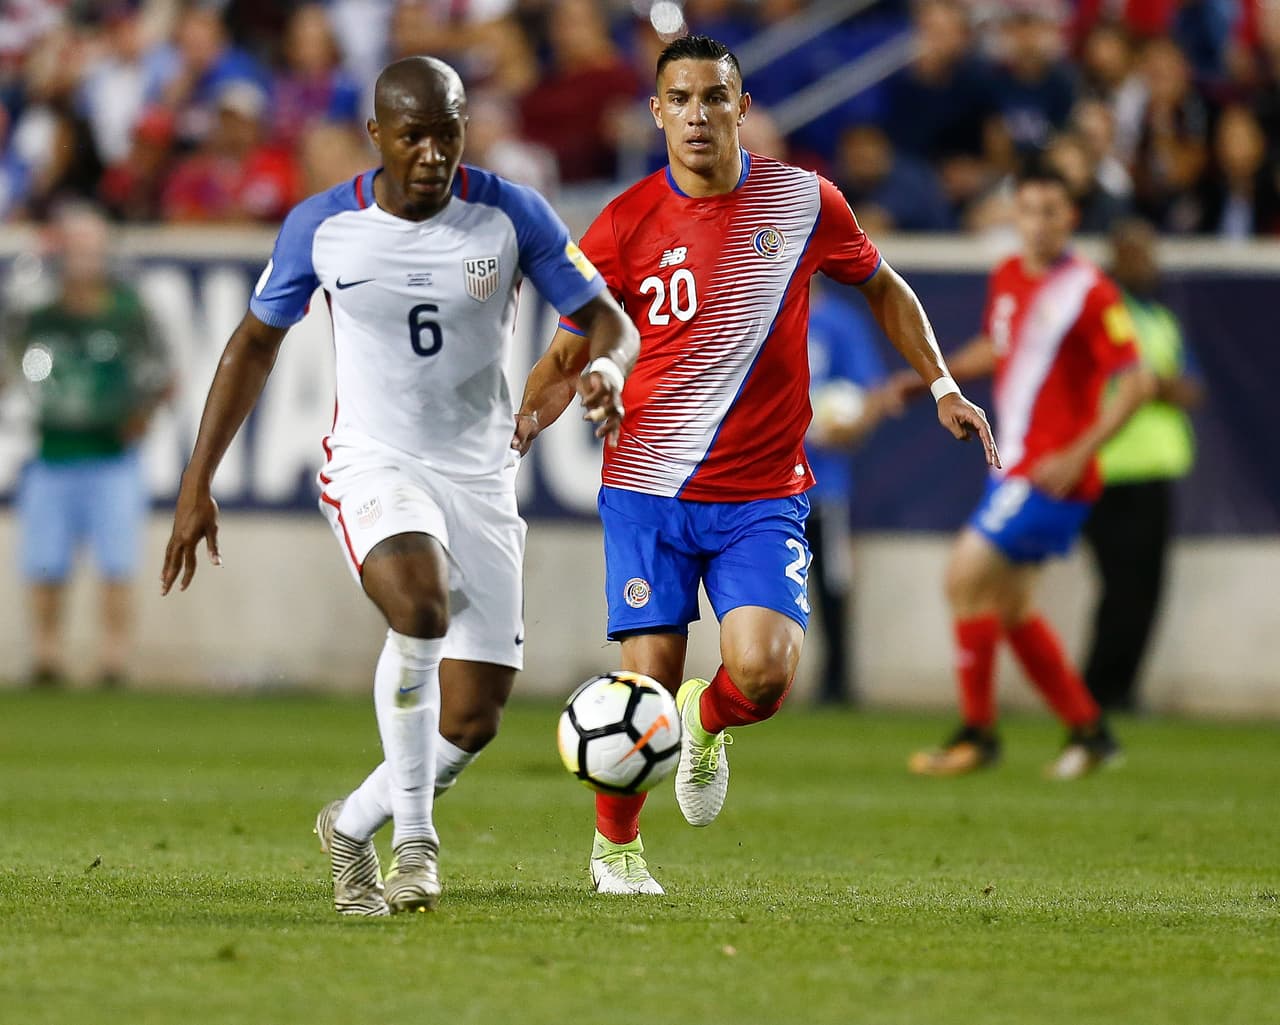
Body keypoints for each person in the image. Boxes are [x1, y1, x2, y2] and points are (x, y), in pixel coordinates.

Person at [514, 35, 998, 895]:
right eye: (680, 99)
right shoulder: (622, 223)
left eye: (714, 97)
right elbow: (563, 357)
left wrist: (942, 384)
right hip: (648, 489)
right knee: (644, 686)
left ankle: (707, 720)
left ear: (741, 107)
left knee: (766, 675)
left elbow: (883, 285)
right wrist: (519, 428)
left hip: (762, 494)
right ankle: (616, 852)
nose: (697, 115)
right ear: (656, 112)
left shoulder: (804, 200)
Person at [161, 56, 639, 916]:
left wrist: (605, 367)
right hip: (374, 461)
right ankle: (415, 844)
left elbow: (607, 319)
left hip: (481, 473)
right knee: (420, 607)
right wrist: (199, 480)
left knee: (473, 720)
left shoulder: (510, 213)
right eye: (413, 135)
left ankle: (351, 825)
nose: (431, 153)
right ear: (376, 134)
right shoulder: (323, 225)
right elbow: (253, 344)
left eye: (447, 134)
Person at [897, 163, 1155, 781]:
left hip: (1049, 476)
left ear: (1071, 218)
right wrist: (935, 379)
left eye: (1051, 211)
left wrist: (1079, 452)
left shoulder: (1090, 291)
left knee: (963, 578)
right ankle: (1090, 732)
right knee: (1009, 608)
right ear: (1015, 214)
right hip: (1012, 470)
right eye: (1029, 209)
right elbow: (1001, 345)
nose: (1038, 223)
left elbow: (1138, 382)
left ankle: (977, 734)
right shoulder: (1008, 275)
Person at [4, 202, 171, 687]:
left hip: (112, 456)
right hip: (51, 451)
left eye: (91, 248)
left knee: (117, 563)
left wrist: (142, 414)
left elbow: (162, 372)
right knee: (44, 563)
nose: (83, 259)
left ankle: (114, 659)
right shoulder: (36, 313)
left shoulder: (130, 310)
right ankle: (46, 654)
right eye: (74, 248)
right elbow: (9, 365)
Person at [1082, 218, 1202, 712]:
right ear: (1116, 258)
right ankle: (1095, 688)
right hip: (1108, 468)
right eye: (1135, 254)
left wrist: (1159, 386)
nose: (1146, 264)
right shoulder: (1098, 313)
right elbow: (1122, 381)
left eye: (1150, 254)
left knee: (1148, 587)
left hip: (1156, 468)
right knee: (1121, 586)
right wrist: (1156, 386)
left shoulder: (1159, 319)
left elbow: (1189, 387)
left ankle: (1122, 688)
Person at [804, 280, 897, 705]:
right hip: (765, 482)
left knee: (832, 581)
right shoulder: (762, 309)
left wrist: (853, 425)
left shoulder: (840, 322)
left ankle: (836, 680)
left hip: (825, 484)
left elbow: (873, 391)